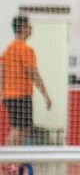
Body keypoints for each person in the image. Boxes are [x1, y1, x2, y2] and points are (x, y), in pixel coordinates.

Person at [3, 15, 53, 145]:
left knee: (21, 128)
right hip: (21, 95)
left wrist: (3, 92)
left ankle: (12, 156)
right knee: (19, 129)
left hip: (9, 95)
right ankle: (8, 156)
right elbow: (33, 73)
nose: (32, 28)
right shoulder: (26, 49)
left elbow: (3, 72)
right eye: (30, 26)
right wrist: (46, 95)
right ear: (24, 28)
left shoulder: (8, 49)